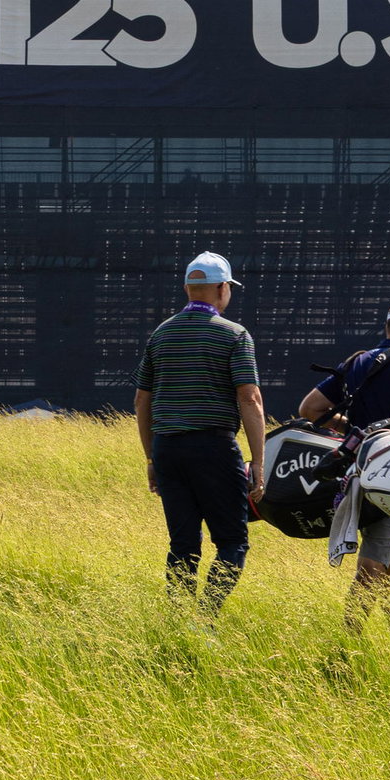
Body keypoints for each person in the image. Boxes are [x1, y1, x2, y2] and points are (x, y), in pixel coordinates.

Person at [134, 251, 266, 619]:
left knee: (183, 544)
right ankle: (205, 620)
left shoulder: (161, 334)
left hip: (167, 448)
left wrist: (151, 458)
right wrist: (258, 461)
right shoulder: (234, 334)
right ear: (222, 288)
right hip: (214, 447)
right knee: (232, 541)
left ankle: (179, 620)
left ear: (187, 288)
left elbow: (142, 400)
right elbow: (249, 398)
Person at [297, 300, 390, 634]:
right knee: (373, 564)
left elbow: (309, 408)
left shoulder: (357, 360)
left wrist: (358, 435)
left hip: (357, 473)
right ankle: (348, 641)